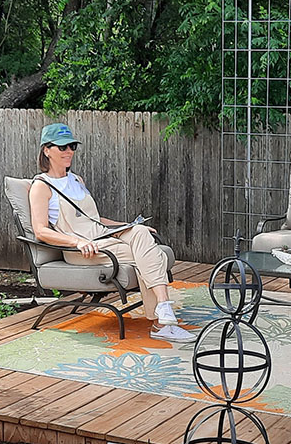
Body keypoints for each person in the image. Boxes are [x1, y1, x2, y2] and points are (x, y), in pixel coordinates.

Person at [28, 123, 194, 342]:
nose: (69, 151)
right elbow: (40, 231)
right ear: (46, 150)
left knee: (141, 234)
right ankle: (161, 323)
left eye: (72, 146)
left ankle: (163, 308)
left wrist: (126, 226)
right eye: (62, 147)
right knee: (151, 255)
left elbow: (93, 219)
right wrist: (77, 242)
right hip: (83, 248)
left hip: (102, 234)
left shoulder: (77, 180)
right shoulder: (41, 186)